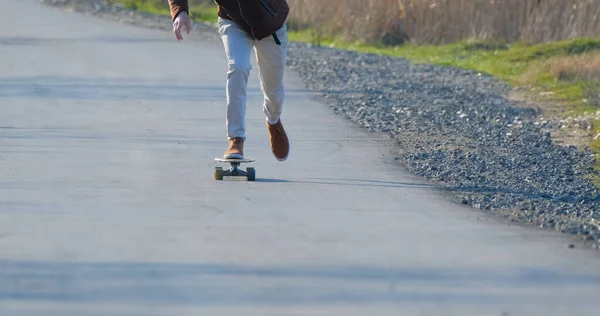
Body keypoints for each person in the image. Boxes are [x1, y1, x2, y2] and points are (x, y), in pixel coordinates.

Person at [168, 0, 290, 161]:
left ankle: (273, 120)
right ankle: (236, 139)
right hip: (232, 20)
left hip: (270, 22)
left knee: (273, 90)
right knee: (238, 67)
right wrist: (180, 10)